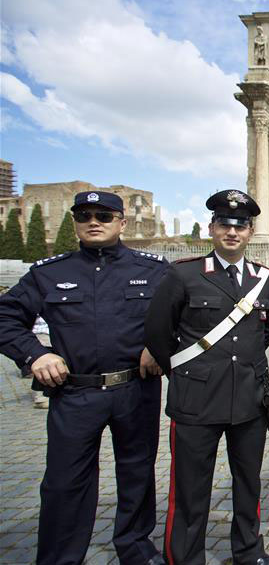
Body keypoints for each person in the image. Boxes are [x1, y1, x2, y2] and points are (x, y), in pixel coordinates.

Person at [0, 191, 168, 565]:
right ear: (75, 222)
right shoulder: (49, 273)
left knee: (137, 472)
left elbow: (185, 315)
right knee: (64, 482)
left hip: (134, 388)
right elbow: (6, 318)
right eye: (85, 215)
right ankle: (60, 556)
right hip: (74, 392)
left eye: (104, 215)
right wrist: (35, 354)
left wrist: (161, 346)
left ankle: (136, 547)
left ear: (121, 223)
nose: (94, 221)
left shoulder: (153, 270)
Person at [145, 190, 269, 565]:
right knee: (190, 489)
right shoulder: (183, 274)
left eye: (240, 225)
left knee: (248, 483)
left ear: (251, 231)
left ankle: (248, 552)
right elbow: (158, 334)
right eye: (225, 224)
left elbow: (264, 334)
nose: (232, 232)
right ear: (212, 228)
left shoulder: (264, 279)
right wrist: (189, 374)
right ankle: (186, 558)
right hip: (196, 400)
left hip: (249, 399)